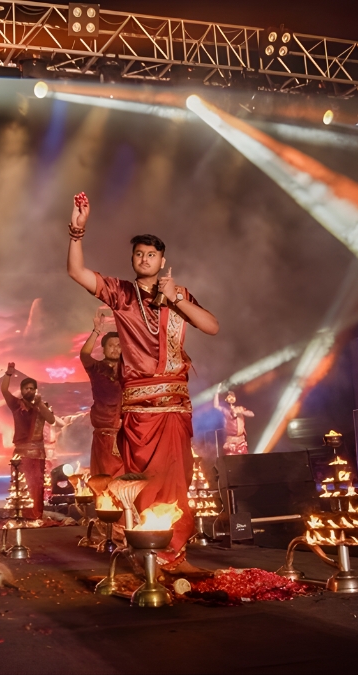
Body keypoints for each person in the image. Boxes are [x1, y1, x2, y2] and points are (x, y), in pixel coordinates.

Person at [66, 191, 219, 571]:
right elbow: (77, 272)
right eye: (139, 254)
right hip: (139, 410)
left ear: (162, 261)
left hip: (175, 406)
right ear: (133, 260)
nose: (145, 259)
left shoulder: (179, 294)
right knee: (145, 480)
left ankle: (174, 554)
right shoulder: (121, 293)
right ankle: (145, 553)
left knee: (178, 479)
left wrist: (175, 299)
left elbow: (212, 326)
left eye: (151, 254)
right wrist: (77, 232)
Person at [1, 363, 57, 522]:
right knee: (21, 486)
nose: (29, 391)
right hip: (21, 453)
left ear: (36, 390)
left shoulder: (42, 406)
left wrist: (39, 405)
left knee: (37, 485)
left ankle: (35, 515)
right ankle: (22, 515)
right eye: (26, 388)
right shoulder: (16, 404)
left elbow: (51, 420)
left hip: (38, 454)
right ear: (21, 390)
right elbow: (4, 390)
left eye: (32, 388)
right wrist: (8, 374)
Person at [79, 312, 124, 477]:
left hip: (127, 431)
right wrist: (96, 331)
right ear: (103, 349)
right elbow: (84, 355)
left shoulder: (130, 371)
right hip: (104, 432)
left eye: (119, 345)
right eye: (111, 345)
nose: (115, 348)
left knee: (127, 478)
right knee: (105, 478)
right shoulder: (96, 369)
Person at [214, 388, 255, 456]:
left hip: (241, 442)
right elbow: (216, 406)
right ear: (226, 399)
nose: (231, 398)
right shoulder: (225, 410)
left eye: (233, 396)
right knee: (231, 460)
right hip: (231, 443)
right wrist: (216, 393)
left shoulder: (240, 408)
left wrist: (241, 411)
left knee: (243, 460)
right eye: (229, 397)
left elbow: (252, 414)